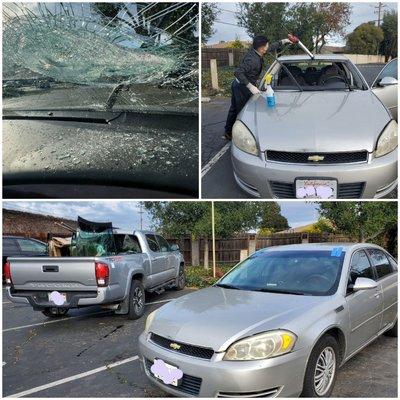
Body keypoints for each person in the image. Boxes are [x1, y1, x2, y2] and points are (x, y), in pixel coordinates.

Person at [224, 35, 295, 140]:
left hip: (240, 84)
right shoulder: (252, 60)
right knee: (242, 111)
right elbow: (237, 72)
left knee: (234, 109)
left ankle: (227, 132)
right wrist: (250, 86)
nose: (268, 47)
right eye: (266, 45)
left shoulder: (258, 51)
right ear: (262, 48)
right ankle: (239, 136)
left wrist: (284, 41)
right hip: (241, 87)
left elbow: (271, 47)